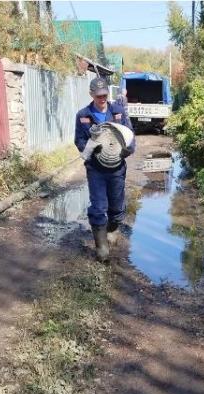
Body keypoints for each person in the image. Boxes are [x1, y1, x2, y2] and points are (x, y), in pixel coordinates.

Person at [74, 77, 136, 262]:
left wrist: (126, 151)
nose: (102, 98)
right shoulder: (83, 115)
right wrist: (93, 148)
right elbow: (79, 140)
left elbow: (130, 135)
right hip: (95, 169)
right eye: (98, 95)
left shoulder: (118, 111)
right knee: (99, 207)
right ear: (91, 94)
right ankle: (101, 247)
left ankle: (112, 227)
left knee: (116, 208)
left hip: (116, 168)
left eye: (104, 95)